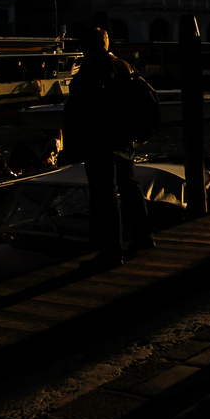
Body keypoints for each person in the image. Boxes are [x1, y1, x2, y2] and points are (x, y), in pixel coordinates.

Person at [63, 26, 154, 269]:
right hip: (125, 137)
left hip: (100, 140)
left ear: (86, 48)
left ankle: (112, 251)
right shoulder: (124, 66)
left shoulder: (90, 71)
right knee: (130, 185)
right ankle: (145, 236)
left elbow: (78, 110)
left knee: (105, 194)